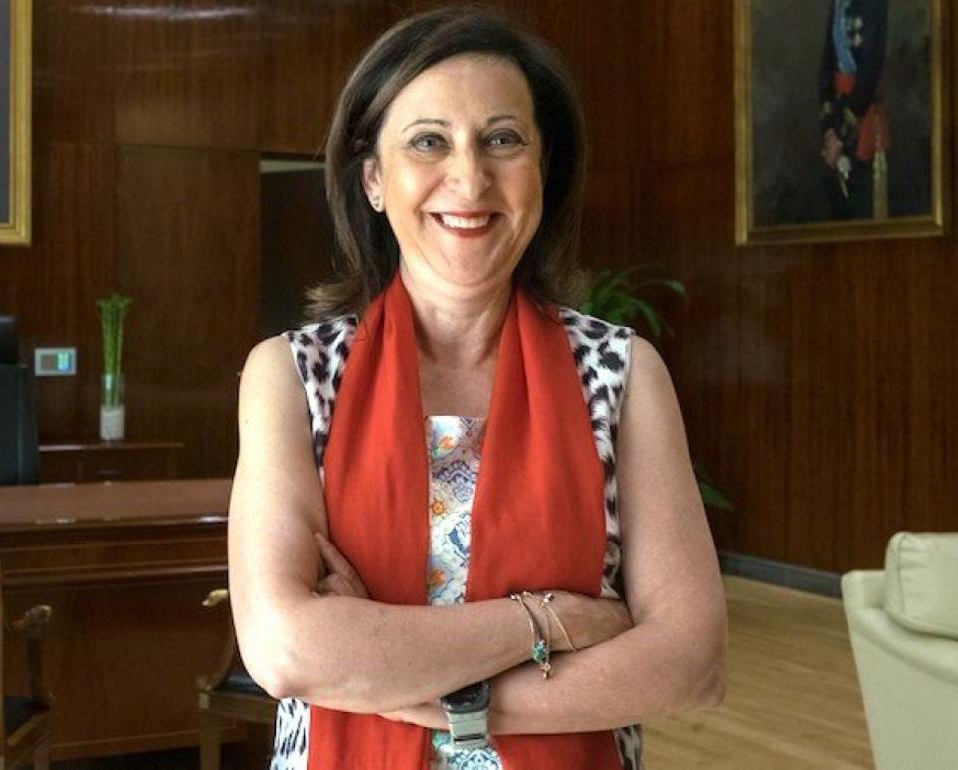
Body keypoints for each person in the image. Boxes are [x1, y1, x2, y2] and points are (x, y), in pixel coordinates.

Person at [229, 8, 726, 770]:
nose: (469, 178)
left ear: (543, 169)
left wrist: (420, 692)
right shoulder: (293, 377)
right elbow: (284, 648)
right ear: (373, 178)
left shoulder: (624, 374)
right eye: (429, 141)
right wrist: (552, 621)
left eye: (502, 140)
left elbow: (692, 662)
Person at [818, 0, 888, 220]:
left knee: (862, 204)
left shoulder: (875, 4)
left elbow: (870, 70)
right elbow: (826, 67)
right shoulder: (837, 4)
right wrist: (829, 129)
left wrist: (840, 133)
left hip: (862, 114)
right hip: (836, 115)